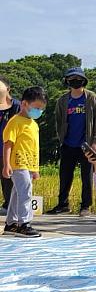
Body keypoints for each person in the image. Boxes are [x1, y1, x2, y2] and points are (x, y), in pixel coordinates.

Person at [47, 67, 96, 216]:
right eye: (72, 79)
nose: (75, 82)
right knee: (65, 175)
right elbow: (58, 120)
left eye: (78, 79)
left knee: (87, 176)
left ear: (84, 81)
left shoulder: (91, 98)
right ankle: (63, 205)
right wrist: (61, 138)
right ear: (67, 81)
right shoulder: (63, 100)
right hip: (68, 143)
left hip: (87, 143)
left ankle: (86, 206)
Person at [2, 86, 46, 238]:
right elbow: (8, 144)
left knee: (17, 193)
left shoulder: (34, 125)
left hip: (28, 165)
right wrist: (6, 164)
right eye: (36, 107)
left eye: (41, 109)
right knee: (25, 191)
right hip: (17, 163)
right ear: (24, 104)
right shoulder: (15, 122)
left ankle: (11, 223)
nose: (39, 111)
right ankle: (24, 224)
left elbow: (34, 148)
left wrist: (35, 169)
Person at [0, 76, 21, 214]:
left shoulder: (17, 106)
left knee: (8, 180)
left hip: (9, 149)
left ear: (7, 88)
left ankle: (10, 206)